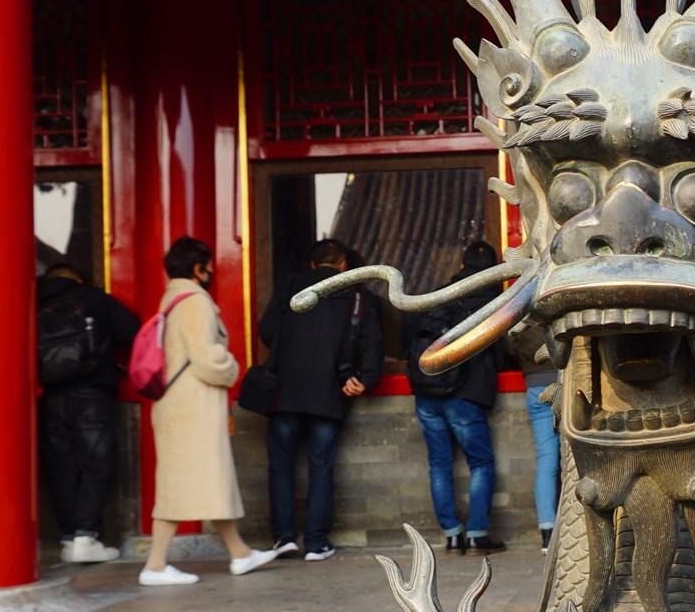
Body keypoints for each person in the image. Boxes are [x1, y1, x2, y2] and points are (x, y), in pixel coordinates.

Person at [141, 236, 281, 587]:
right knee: (182, 484)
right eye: (207, 265)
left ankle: (240, 553)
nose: (211, 271)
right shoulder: (195, 302)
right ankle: (155, 565)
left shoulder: (172, 299)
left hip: (181, 405)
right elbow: (206, 357)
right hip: (193, 406)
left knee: (207, 481)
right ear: (197, 268)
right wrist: (232, 366)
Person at [258, 237, 384, 563]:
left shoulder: (290, 288)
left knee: (281, 466)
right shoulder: (357, 296)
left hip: (285, 391)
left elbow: (267, 330)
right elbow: (371, 343)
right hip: (329, 392)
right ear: (343, 265)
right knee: (321, 466)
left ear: (312, 265)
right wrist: (365, 378)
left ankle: (284, 538)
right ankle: (316, 543)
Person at [36, 260, 140, 563]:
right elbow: (131, 330)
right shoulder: (94, 298)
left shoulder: (33, 305)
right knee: (96, 462)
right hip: (93, 391)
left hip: (51, 395)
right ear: (79, 279)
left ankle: (68, 538)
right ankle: (86, 536)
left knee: (61, 466)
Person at [409, 238, 505, 555]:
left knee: (439, 464)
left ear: (462, 265)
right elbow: (501, 353)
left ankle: (451, 533)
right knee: (481, 463)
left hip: (427, 392)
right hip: (466, 394)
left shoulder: (441, 294)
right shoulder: (494, 302)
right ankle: (477, 533)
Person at [523, 346, 560, 551]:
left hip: (534, 385)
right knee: (574, 457)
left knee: (547, 460)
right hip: (564, 381)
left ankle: (547, 532)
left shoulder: (519, 324)